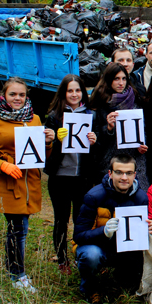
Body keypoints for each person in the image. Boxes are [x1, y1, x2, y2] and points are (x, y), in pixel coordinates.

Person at [0, 77, 55, 292]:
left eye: (21, 95)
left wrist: (48, 143)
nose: (17, 98)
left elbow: (41, 155)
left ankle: (13, 269)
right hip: (8, 183)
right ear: (4, 95)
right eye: (13, 94)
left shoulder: (35, 119)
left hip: (30, 184)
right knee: (18, 228)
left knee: (18, 228)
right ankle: (17, 275)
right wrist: (2, 166)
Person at [73, 154, 152, 304]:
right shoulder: (93, 196)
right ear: (110, 173)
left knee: (144, 255)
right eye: (119, 172)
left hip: (125, 250)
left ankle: (127, 284)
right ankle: (89, 289)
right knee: (91, 255)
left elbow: (140, 236)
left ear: (135, 175)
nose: (124, 177)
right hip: (98, 246)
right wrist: (103, 232)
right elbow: (78, 236)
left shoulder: (142, 198)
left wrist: (150, 230)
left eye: (129, 173)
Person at [44, 74, 98, 275]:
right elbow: (45, 145)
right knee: (60, 219)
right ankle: (61, 258)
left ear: (83, 92)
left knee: (80, 219)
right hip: (60, 177)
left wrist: (95, 139)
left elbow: (98, 146)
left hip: (82, 178)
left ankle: (79, 256)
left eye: (78, 90)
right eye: (70, 91)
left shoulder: (91, 115)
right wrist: (54, 139)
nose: (74, 94)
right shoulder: (55, 116)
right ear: (63, 93)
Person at [88, 62, 149, 185]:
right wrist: (109, 128)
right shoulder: (99, 103)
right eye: (116, 79)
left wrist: (142, 144)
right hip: (110, 162)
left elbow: (143, 129)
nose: (121, 83)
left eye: (124, 79)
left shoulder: (135, 99)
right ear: (109, 79)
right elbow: (95, 140)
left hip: (135, 160)